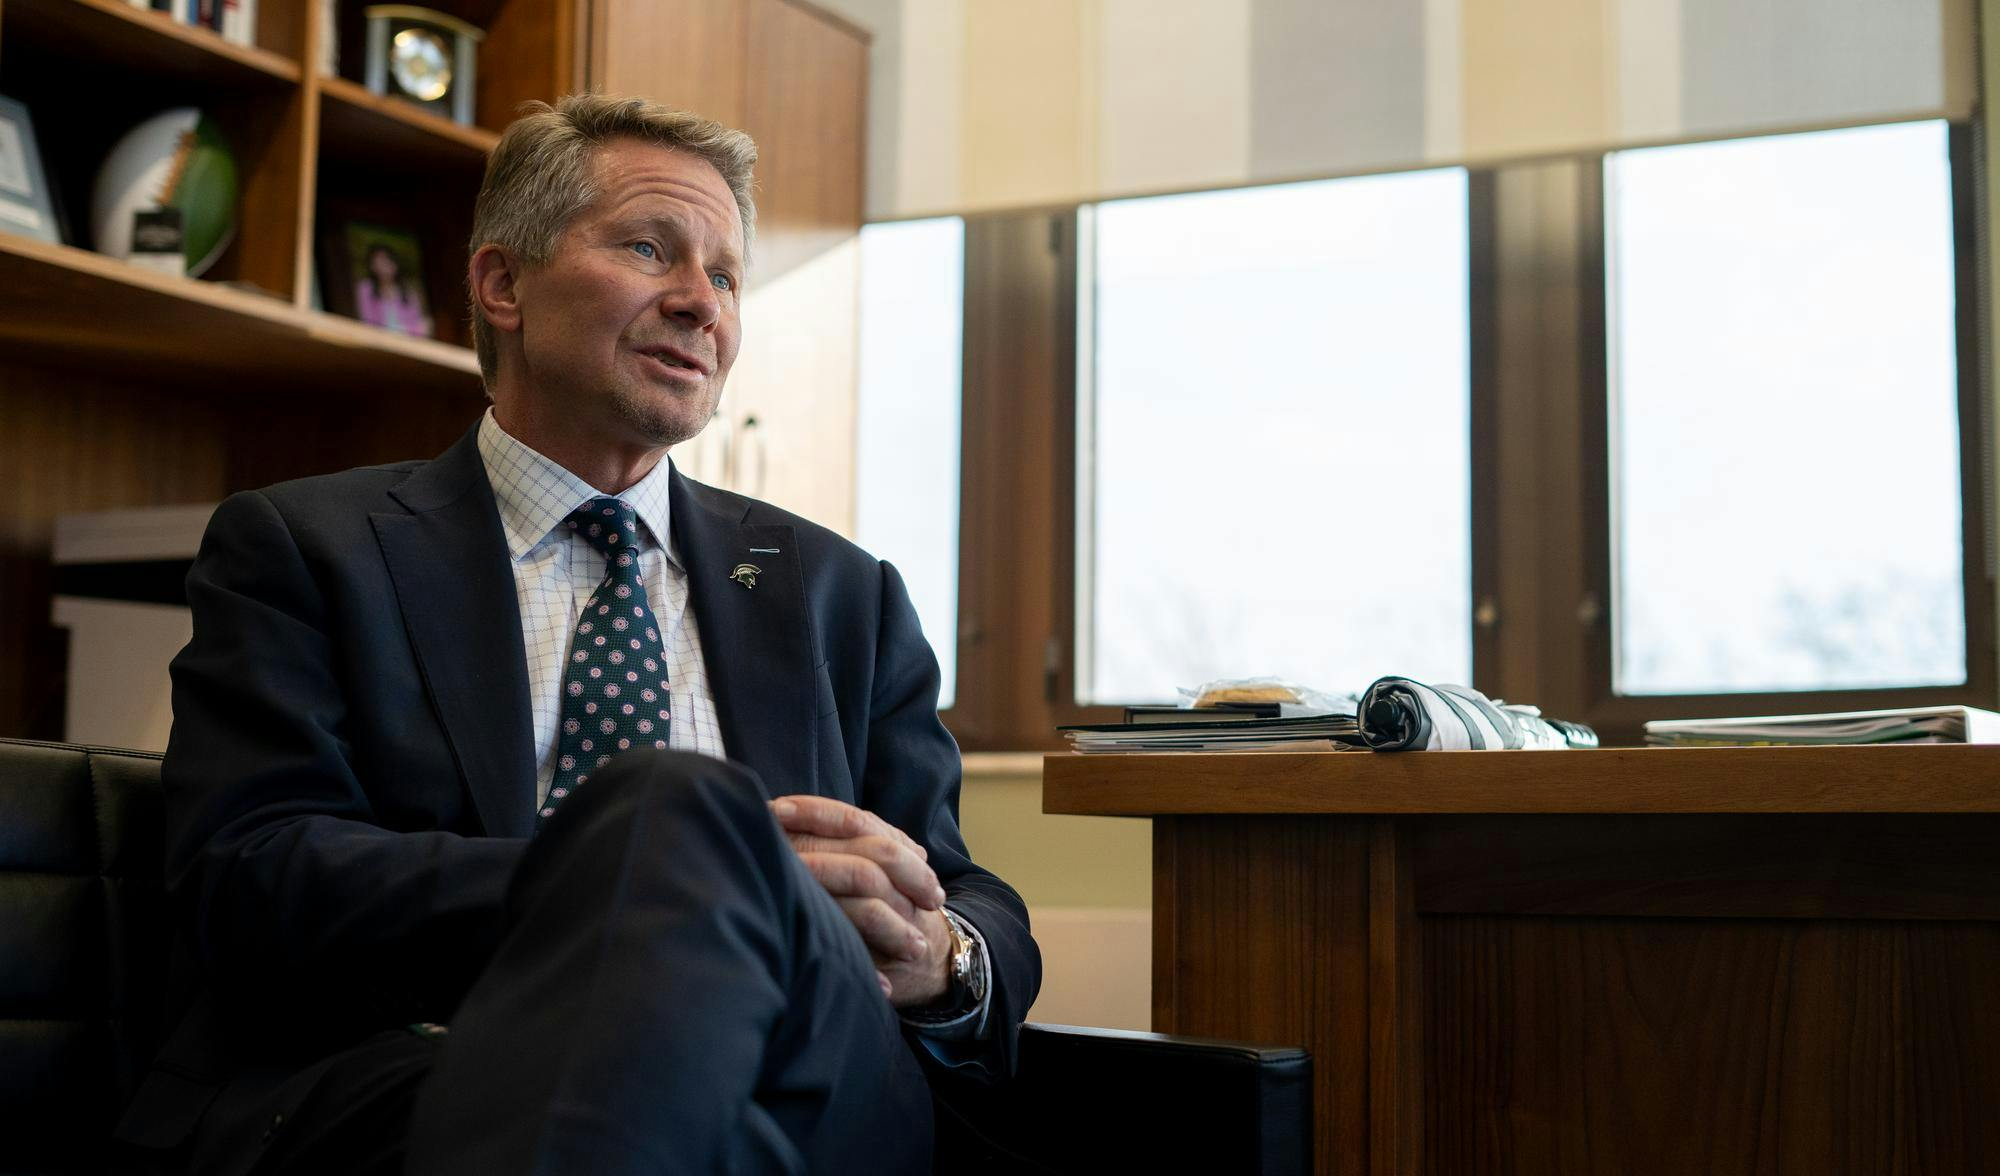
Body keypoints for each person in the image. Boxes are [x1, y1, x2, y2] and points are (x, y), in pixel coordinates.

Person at [113, 94, 1039, 1175]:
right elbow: (251, 876)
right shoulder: (305, 548)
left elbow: (959, 887)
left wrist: (944, 957)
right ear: (502, 283)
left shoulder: (842, 594)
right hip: (422, 1058)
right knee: (677, 811)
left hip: (813, 1063)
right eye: (651, 249)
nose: (703, 305)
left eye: (728, 275)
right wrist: (651, 876)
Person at [354, 241, 434, 337]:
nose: (384, 266)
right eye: (379, 261)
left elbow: (421, 327)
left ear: (395, 264)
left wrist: (412, 330)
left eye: (387, 261)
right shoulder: (365, 288)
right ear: (372, 266)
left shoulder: (408, 291)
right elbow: (368, 325)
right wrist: (410, 330)